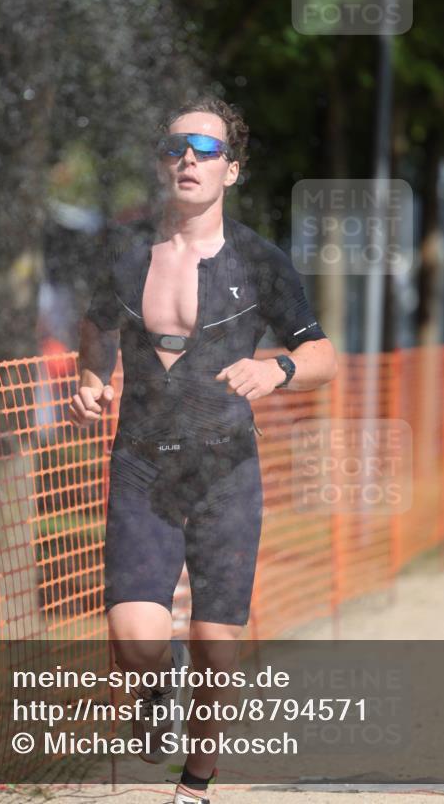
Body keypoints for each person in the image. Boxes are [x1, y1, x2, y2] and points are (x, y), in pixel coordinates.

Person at [69, 96, 337, 803]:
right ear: (162, 162)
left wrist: (276, 369)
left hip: (226, 467)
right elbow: (93, 333)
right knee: (135, 641)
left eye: (207, 149)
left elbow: (322, 354)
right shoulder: (125, 259)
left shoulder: (259, 259)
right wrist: (89, 378)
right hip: (140, 462)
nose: (189, 158)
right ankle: (158, 686)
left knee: (220, 644)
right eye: (176, 146)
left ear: (232, 171)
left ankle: (196, 781)